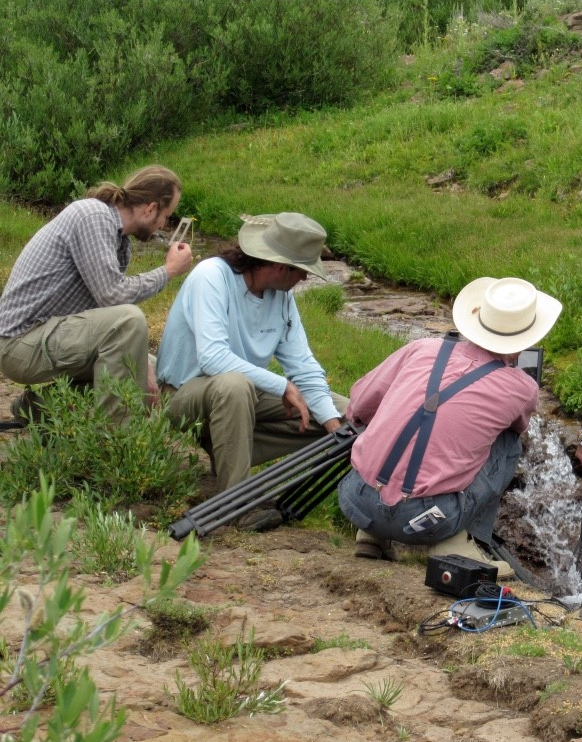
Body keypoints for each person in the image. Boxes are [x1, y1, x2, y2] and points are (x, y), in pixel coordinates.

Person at [338, 276, 562, 580]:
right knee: (509, 443)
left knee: (386, 419)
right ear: (524, 342)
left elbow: (360, 404)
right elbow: (518, 427)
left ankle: (371, 536)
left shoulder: (421, 348)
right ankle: (459, 543)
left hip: (355, 499)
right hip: (428, 521)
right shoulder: (522, 388)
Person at [156, 211, 349, 529]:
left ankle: (243, 463)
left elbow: (303, 366)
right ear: (279, 266)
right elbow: (213, 359)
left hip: (240, 398)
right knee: (235, 385)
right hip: (182, 395)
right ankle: (235, 506)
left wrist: (336, 430)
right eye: (302, 271)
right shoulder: (212, 276)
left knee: (349, 413)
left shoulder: (283, 298)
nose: (304, 279)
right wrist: (282, 386)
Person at [0, 165, 193, 420]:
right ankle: (113, 443)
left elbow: (105, 313)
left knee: (156, 370)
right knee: (129, 320)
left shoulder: (120, 243)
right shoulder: (93, 216)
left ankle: (37, 407)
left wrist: (142, 363)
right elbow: (113, 297)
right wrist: (168, 271)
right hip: (18, 343)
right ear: (150, 208)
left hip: (50, 334)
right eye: (166, 216)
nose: (164, 225)